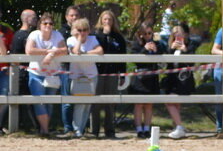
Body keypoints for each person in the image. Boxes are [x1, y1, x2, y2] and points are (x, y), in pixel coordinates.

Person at [26, 13, 67, 137]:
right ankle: (44, 129)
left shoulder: (57, 35)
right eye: (45, 23)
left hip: (53, 74)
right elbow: (29, 50)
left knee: (49, 102)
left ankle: (45, 129)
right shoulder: (34, 35)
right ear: (40, 25)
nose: (48, 26)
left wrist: (52, 55)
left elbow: (64, 50)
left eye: (50, 23)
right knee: (39, 101)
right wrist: (50, 52)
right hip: (36, 72)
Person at [65, 18, 103, 138]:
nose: (82, 33)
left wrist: (86, 54)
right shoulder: (70, 40)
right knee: (79, 104)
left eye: (85, 30)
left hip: (91, 75)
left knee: (87, 104)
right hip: (77, 76)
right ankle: (77, 130)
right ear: (75, 30)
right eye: (80, 30)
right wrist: (80, 41)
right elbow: (75, 51)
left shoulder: (92, 39)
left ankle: (81, 129)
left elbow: (100, 50)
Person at [92, 10, 126, 138]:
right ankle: (94, 130)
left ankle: (110, 130)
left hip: (112, 73)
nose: (107, 22)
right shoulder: (95, 35)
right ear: (101, 20)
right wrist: (105, 35)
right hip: (98, 73)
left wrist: (122, 75)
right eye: (105, 19)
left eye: (110, 20)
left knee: (110, 104)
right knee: (96, 104)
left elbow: (123, 58)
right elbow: (100, 50)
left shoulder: (118, 37)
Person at [163, 22, 199, 139]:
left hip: (184, 80)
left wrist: (184, 50)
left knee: (170, 102)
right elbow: (165, 63)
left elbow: (192, 62)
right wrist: (170, 49)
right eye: (175, 35)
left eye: (180, 35)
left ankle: (179, 127)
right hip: (172, 80)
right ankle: (178, 127)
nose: (178, 38)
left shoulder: (191, 46)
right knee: (172, 102)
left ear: (184, 35)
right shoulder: (170, 47)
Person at [129, 21, 163, 139]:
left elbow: (162, 56)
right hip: (140, 78)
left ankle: (147, 129)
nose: (148, 35)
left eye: (150, 33)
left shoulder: (157, 43)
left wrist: (155, 50)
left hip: (152, 78)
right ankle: (139, 129)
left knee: (149, 104)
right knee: (139, 104)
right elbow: (136, 60)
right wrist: (144, 49)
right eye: (145, 33)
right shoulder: (136, 45)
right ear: (141, 34)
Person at [57, 5, 81, 134]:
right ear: (67, 17)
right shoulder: (62, 32)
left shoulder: (84, 30)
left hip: (81, 69)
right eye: (71, 15)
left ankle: (79, 127)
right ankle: (68, 127)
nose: (74, 17)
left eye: (76, 15)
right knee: (66, 99)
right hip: (66, 68)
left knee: (81, 98)